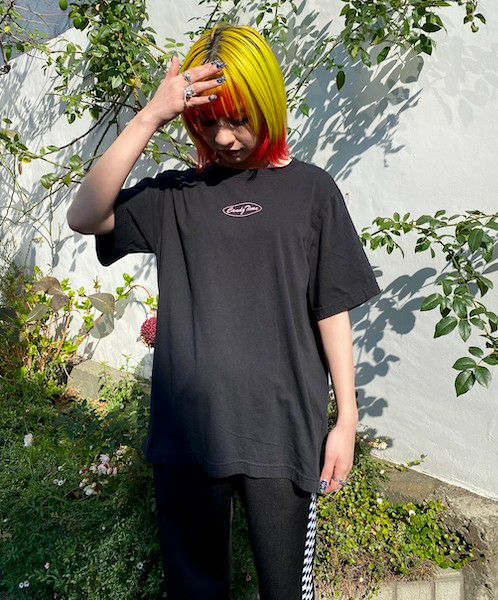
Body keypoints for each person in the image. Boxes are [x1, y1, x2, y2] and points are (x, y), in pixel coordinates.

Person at [67, 22, 381, 600]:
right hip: (188, 433)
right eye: (208, 122)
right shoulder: (176, 195)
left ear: (268, 103)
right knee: (195, 591)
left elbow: (331, 308)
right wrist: (150, 115)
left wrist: (346, 420)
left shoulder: (312, 192)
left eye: (238, 119)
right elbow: (84, 216)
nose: (225, 137)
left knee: (286, 590)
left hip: (283, 431)